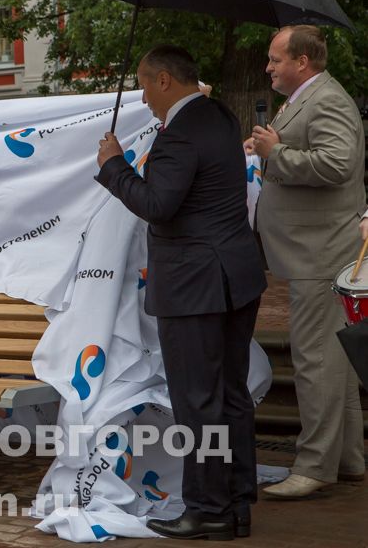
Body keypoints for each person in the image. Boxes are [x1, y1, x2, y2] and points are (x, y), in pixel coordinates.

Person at [96, 45, 266, 540]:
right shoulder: (219, 116)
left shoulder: (179, 135)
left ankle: (207, 508)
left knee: (198, 402)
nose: (144, 98)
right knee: (231, 395)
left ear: (165, 80)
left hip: (194, 287)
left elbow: (157, 204)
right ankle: (236, 502)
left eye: (145, 86)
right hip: (236, 277)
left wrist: (115, 165)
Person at [249, 25, 366, 498]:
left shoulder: (328, 99)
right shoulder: (307, 97)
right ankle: (348, 458)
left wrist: (275, 153)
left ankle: (315, 465)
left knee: (315, 358)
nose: (268, 67)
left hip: (321, 251)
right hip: (312, 250)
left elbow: (337, 164)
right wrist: (266, 151)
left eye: (275, 59)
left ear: (302, 61)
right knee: (331, 357)